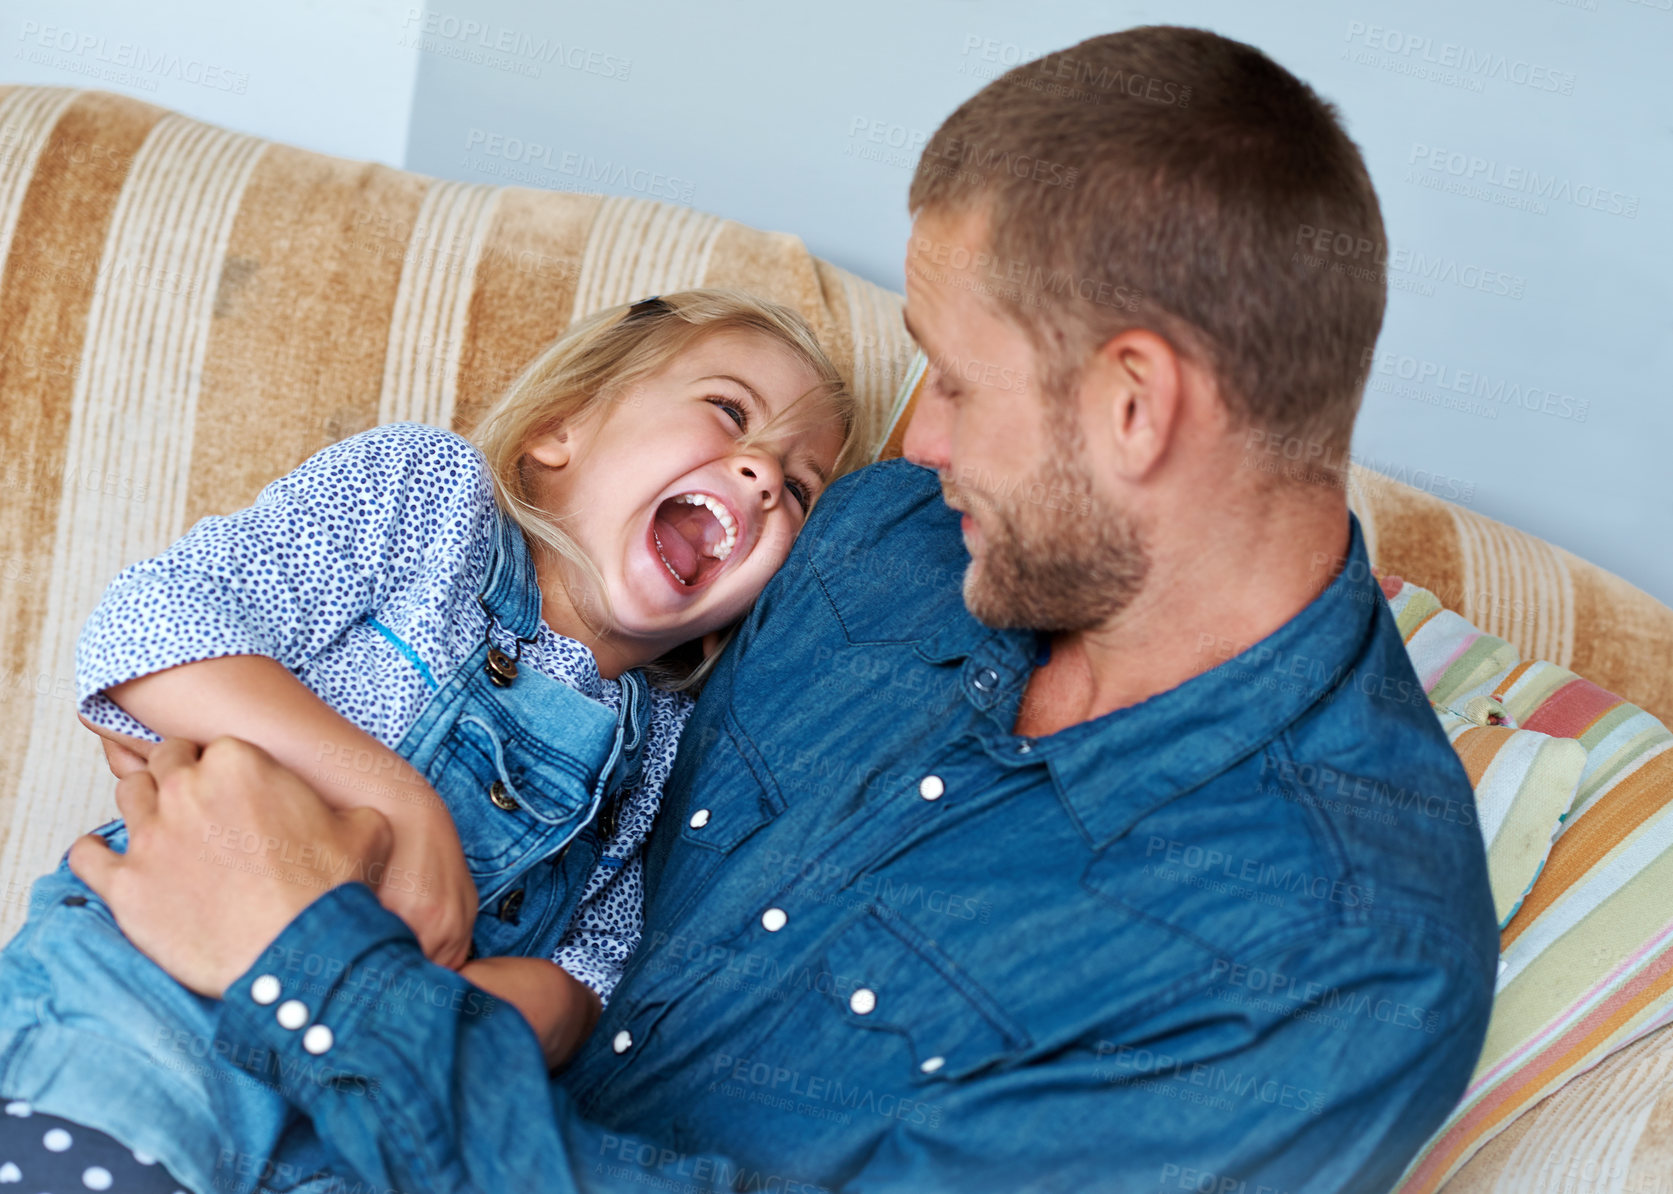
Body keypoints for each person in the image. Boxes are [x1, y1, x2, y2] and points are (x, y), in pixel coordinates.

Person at [42, 25, 1499, 1194]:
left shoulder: (1326, 958)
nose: (911, 440)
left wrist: (302, 954)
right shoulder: (887, 548)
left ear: (1133, 406)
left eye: (958, 381)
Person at [0, 291, 855, 1193]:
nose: (761, 474)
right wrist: (406, 807)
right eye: (730, 412)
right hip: (151, 989)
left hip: (356, 1114)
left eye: (798, 489)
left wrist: (438, 1023)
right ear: (561, 427)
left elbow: (593, 973)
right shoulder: (431, 503)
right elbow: (152, 635)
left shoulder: (673, 746)